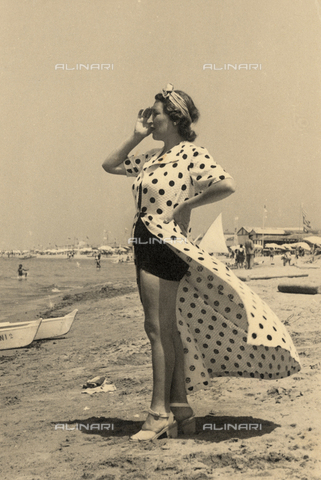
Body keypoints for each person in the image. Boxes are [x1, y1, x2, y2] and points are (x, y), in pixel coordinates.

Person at [102, 83, 301, 441]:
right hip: (144, 239)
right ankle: (180, 408)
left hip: (164, 242)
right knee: (168, 328)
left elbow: (226, 183)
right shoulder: (151, 157)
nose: (149, 118)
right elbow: (110, 164)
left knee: (157, 329)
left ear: (175, 117)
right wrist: (135, 136)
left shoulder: (191, 154)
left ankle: (157, 414)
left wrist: (184, 206)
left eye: (156, 113)